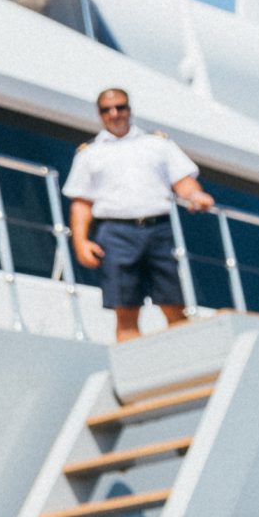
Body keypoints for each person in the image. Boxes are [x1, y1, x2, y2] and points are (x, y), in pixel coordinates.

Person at [62, 87, 216, 342]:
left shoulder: (157, 144)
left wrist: (196, 195)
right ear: (99, 114)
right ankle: (134, 374)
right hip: (114, 233)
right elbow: (81, 202)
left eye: (120, 107)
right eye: (107, 109)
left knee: (173, 304)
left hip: (158, 231)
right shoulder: (89, 154)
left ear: (129, 110)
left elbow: (183, 182)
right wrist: (80, 242)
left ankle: (187, 360)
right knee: (126, 310)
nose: (115, 113)